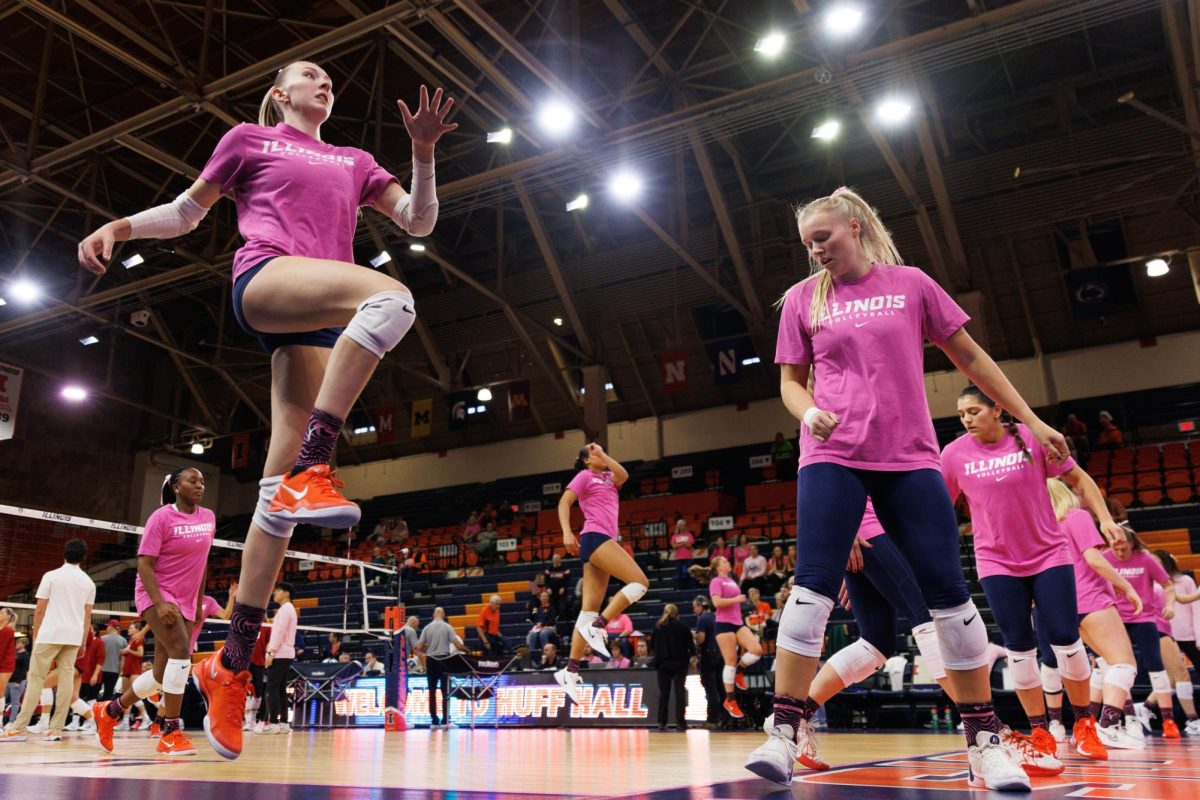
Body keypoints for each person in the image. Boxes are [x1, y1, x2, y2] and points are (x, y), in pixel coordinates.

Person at [79, 62, 457, 760]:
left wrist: (425, 156)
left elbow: (419, 220)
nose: (325, 81)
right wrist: (121, 226)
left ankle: (232, 662)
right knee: (393, 299)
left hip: (314, 313)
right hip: (267, 277)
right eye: (310, 74)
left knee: (274, 500)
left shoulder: (356, 160)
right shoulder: (252, 138)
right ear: (281, 93)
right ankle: (315, 465)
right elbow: (188, 213)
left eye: (329, 78)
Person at [747, 186, 1066, 791]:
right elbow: (790, 383)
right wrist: (808, 410)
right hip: (832, 453)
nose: (816, 251)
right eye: (808, 244)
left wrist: (1032, 419)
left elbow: (972, 359)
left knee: (947, 593)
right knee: (811, 588)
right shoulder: (801, 301)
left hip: (909, 456)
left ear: (856, 226)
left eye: (825, 238)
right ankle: (784, 733)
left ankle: (984, 742)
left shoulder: (912, 283)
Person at [943, 385, 1118, 765]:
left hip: (1048, 555)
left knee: (1065, 638)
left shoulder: (1030, 437)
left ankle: (1084, 724)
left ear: (998, 410)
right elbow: (937, 507)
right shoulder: (954, 455)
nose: (967, 419)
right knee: (1020, 648)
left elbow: (1081, 480)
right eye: (961, 415)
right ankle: (1040, 730)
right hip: (997, 562)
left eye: (973, 411)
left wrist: (1104, 519)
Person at [769, 502, 952, 773]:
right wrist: (847, 528)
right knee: (927, 618)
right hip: (868, 531)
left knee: (876, 643)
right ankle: (985, 728)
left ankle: (797, 716)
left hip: (873, 535)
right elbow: (833, 476)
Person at [91, 468, 214, 756]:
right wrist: (159, 603)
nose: (199, 486)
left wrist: (197, 603)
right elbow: (144, 564)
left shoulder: (207, 517)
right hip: (156, 593)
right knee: (182, 652)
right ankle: (170, 730)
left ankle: (109, 710)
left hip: (185, 597)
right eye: (192, 481)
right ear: (175, 487)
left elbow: (203, 562)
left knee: (160, 674)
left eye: (202, 482)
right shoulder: (161, 517)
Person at [1045, 479, 1146, 750]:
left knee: (1105, 663)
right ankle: (1108, 726)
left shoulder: (1045, 524)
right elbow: (1094, 559)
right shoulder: (1076, 516)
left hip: (1063, 604)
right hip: (1092, 598)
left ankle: (1090, 726)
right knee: (1125, 664)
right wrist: (1126, 586)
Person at [553, 443, 648, 702]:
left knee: (587, 610)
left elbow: (624, 475)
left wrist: (603, 453)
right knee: (640, 582)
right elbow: (564, 502)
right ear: (585, 460)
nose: (601, 455)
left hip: (601, 539)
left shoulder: (608, 477)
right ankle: (598, 627)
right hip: (595, 537)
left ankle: (569, 671)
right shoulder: (585, 476)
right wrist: (566, 531)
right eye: (594, 453)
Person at [5, 539, 95, 743]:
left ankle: (19, 727)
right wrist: (82, 643)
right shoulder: (88, 582)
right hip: (72, 637)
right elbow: (87, 616)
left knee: (36, 678)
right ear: (83, 557)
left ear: (64, 554)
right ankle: (56, 729)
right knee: (65, 682)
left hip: (50, 634)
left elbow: (39, 609)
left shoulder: (51, 576)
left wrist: (36, 636)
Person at [1102, 530, 1178, 737]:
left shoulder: (1145, 559)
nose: (1119, 553)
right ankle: (1127, 717)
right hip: (1115, 617)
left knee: (1156, 666)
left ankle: (1168, 721)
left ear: (1133, 546)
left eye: (1124, 549)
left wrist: (1170, 605)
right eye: (1115, 548)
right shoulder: (1104, 558)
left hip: (1143, 617)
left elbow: (1168, 585)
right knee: (1117, 667)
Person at [1137, 551, 1200, 736]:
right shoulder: (1147, 583)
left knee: (1173, 678)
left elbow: (1184, 601)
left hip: (1174, 632)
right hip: (1159, 631)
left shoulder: (1172, 583)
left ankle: (1145, 707)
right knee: (1180, 675)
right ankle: (1193, 720)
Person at [691, 558, 762, 719]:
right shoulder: (716, 581)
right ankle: (730, 700)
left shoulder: (730, 580)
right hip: (723, 624)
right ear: (718, 567)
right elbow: (716, 602)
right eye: (724, 561)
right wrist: (737, 600)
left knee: (757, 650)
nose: (727, 562)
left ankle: (739, 671)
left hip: (737, 622)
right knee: (729, 661)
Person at [417, 608, 464, 729]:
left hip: (431, 660)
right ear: (443, 614)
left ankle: (434, 721)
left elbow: (419, 647)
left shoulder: (427, 628)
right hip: (444, 660)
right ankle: (445, 720)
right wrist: (468, 652)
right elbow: (458, 645)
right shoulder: (448, 627)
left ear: (433, 614)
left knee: (432, 691)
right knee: (445, 692)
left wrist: (429, 648)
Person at [652, 604, 695, 731]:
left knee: (663, 694)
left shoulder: (658, 627)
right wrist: (692, 657)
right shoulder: (683, 627)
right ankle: (680, 723)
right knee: (679, 693)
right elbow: (691, 648)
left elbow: (652, 646)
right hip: (680, 664)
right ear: (677, 614)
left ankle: (661, 722)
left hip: (663, 664)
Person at [262, 582, 297, 734]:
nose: (274, 594)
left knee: (273, 688)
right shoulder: (289, 609)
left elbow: (279, 633)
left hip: (280, 653)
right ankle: (283, 723)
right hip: (287, 653)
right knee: (281, 689)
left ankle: (273, 723)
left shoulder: (284, 610)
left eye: (278, 591)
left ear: (286, 593)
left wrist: (271, 652)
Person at [693, 596, 723, 727]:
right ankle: (724, 718)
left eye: (695, 607)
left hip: (708, 656)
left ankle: (712, 719)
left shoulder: (703, 619)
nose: (694, 610)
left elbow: (701, 639)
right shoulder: (717, 616)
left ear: (701, 606)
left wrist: (694, 636)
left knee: (710, 689)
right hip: (721, 654)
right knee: (721, 687)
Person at [99, 620, 126, 702]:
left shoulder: (102, 639)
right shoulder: (123, 641)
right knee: (108, 695)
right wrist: (120, 672)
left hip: (100, 670)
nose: (106, 627)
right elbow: (123, 659)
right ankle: (105, 712)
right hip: (114, 671)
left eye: (107, 626)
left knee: (95, 693)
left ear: (111, 627)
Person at [5, 639, 28, 726]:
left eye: (18, 643)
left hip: (18, 681)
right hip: (8, 681)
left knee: (15, 702)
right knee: (1, 699)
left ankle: (12, 721)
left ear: (24, 644)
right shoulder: (15, 654)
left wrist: (18, 682)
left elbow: (24, 670)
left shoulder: (26, 655)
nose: (16, 644)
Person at [670, 520, 695, 589]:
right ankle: (680, 590)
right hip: (679, 558)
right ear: (678, 526)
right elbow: (674, 546)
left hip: (688, 558)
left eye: (684, 525)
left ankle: (692, 590)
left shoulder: (689, 535)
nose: (683, 526)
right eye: (681, 525)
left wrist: (679, 544)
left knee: (691, 574)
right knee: (679, 575)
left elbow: (689, 546)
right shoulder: (674, 536)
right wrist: (684, 543)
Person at [0, 609, 14, 724]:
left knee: (0, 693)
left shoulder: (7, 630)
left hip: (5, 665)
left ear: (8, 616)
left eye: (2, 612)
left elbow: (1, 649)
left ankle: (0, 723)